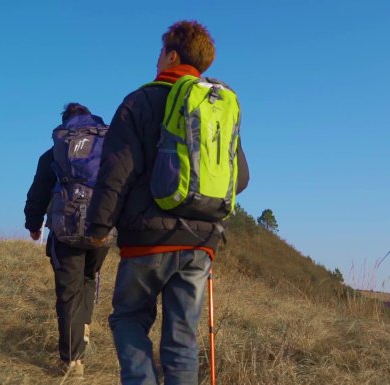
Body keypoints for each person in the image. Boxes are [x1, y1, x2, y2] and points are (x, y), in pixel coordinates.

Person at [86, 20, 249, 385]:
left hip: (146, 241)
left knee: (128, 319)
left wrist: (98, 229)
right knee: (181, 342)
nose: (157, 59)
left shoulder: (139, 101)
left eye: (160, 52)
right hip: (200, 244)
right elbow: (241, 178)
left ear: (172, 55)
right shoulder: (217, 107)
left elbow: (116, 172)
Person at [24, 102, 109, 377]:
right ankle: (81, 338)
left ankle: (73, 361)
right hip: (100, 230)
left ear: (64, 125)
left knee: (68, 292)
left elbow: (38, 193)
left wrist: (33, 224)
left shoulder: (53, 154)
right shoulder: (107, 148)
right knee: (87, 280)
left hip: (65, 231)